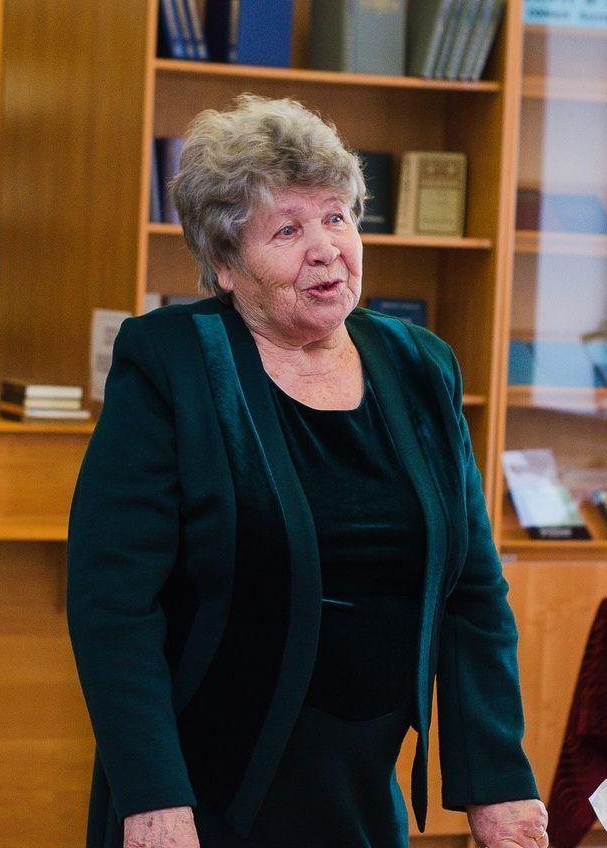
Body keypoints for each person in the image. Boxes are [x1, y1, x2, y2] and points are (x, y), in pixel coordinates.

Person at [67, 94, 548, 848]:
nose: (326, 248)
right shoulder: (172, 365)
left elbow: (472, 593)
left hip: (361, 788)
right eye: (288, 229)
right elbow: (113, 603)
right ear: (225, 265)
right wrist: (153, 795)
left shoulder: (419, 365)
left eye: (337, 216)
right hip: (205, 792)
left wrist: (498, 780)